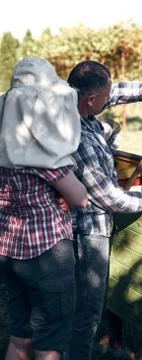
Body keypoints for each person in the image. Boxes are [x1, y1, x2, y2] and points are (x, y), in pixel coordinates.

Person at [67, 60, 142, 360]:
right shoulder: (79, 139)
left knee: (83, 308)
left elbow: (115, 92)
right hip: (87, 231)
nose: (110, 99)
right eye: (104, 97)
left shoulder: (75, 104)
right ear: (91, 99)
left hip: (84, 225)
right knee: (86, 311)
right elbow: (111, 199)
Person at [0, 57, 88, 360]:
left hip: (9, 251)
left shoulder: (3, 150)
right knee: (50, 342)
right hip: (48, 253)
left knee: (20, 335)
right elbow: (80, 198)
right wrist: (70, 191)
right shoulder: (43, 156)